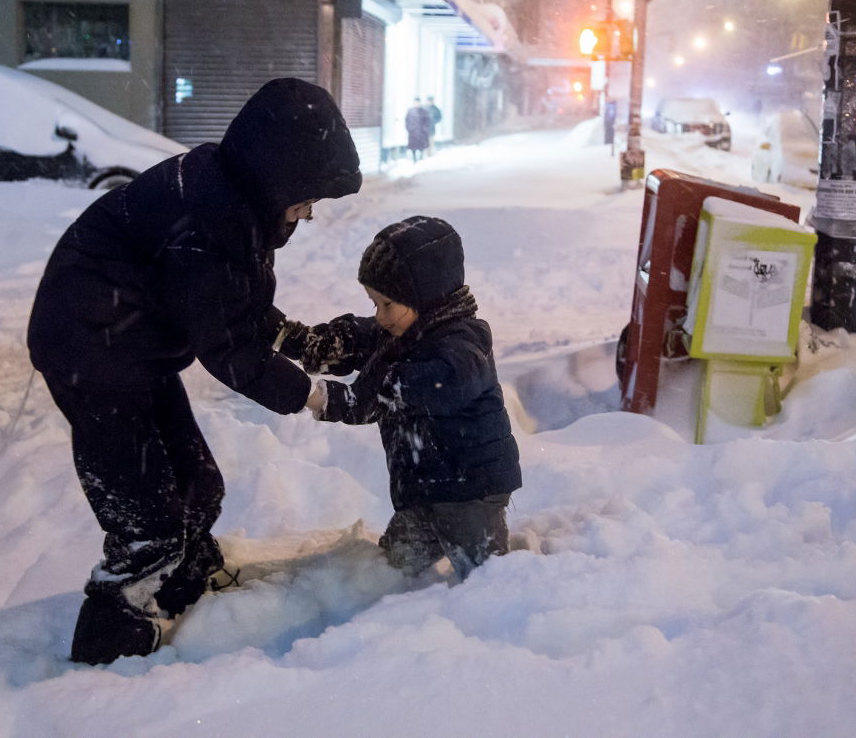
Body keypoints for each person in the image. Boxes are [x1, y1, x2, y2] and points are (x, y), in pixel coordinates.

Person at [27, 78, 361, 665]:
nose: (307, 215)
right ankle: (110, 652)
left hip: (132, 347)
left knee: (198, 486)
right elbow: (231, 350)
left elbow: (237, 306)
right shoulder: (212, 226)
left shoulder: (231, 201)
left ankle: (183, 583)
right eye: (307, 199)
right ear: (277, 178)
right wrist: (318, 399)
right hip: (91, 351)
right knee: (147, 522)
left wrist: (297, 340)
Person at [279, 216, 521, 580]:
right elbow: (362, 337)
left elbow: (405, 388)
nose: (380, 316)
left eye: (387, 304)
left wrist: (322, 397)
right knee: (393, 570)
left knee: (487, 579)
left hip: (471, 493)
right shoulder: (405, 329)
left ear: (425, 296)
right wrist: (310, 342)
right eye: (374, 303)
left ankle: (504, 610)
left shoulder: (461, 347)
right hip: (422, 491)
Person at [404, 97, 430, 163]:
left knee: (421, 145)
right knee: (413, 145)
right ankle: (414, 157)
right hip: (413, 132)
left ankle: (421, 156)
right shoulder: (410, 111)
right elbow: (407, 120)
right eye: (415, 102)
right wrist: (409, 128)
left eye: (417, 102)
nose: (416, 104)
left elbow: (427, 121)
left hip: (421, 131)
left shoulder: (423, 111)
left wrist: (424, 129)